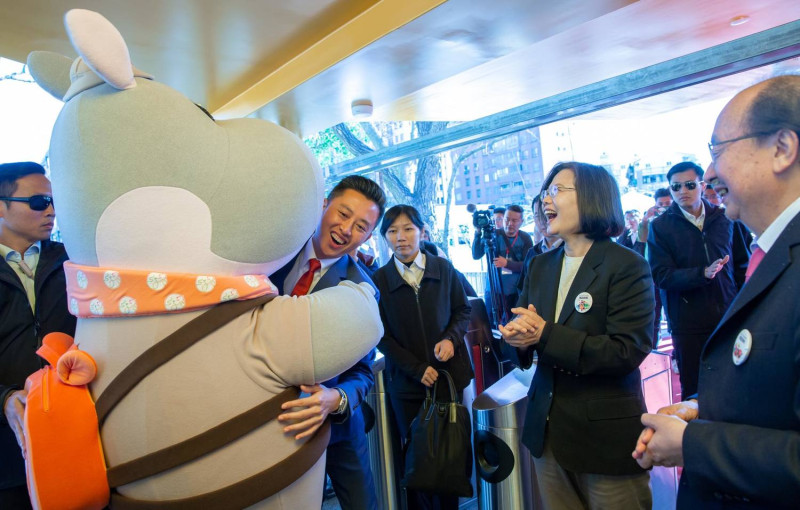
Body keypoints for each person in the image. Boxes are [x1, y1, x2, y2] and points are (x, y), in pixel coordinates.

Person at [634, 75, 800, 509]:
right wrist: (701, 407)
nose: (708, 176)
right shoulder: (774, 248)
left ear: (782, 149)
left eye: (718, 151)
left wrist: (694, 444)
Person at [501, 162, 654, 509]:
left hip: (605, 440)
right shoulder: (540, 264)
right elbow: (526, 332)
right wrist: (516, 339)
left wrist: (544, 334)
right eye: (545, 193)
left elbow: (627, 350)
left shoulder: (627, 265)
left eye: (557, 190)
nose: (545, 201)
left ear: (593, 198)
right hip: (548, 433)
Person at [272, 175, 386, 510]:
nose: (347, 229)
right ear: (323, 205)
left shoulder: (362, 290)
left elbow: (364, 372)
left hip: (333, 425)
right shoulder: (274, 255)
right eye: (343, 213)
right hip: (265, 418)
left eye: (362, 226)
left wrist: (335, 398)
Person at [372, 204, 473, 510]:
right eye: (392, 231)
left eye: (407, 229)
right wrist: (416, 369)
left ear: (421, 231)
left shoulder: (443, 269)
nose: (400, 237)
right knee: (417, 462)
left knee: (450, 457)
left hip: (448, 380)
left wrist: (451, 339)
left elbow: (463, 310)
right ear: (385, 237)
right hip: (408, 387)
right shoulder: (379, 281)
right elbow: (381, 336)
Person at [1, 162, 76, 509]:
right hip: (6, 451)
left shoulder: (72, 262)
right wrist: (4, 398)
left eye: (53, 201)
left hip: (74, 431)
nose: (51, 210)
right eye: (38, 202)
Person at [647, 161, 746, 397]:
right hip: (687, 324)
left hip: (728, 316)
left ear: (702, 185)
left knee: (737, 384)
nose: (683, 191)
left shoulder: (726, 219)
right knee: (696, 390)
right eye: (676, 187)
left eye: (689, 185)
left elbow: (743, 266)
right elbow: (660, 275)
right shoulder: (660, 227)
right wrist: (702, 273)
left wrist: (745, 309)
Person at [472, 204, 533, 318]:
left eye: (514, 220)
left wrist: (507, 264)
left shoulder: (525, 238)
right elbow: (476, 255)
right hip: (493, 291)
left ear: (521, 221)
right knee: (492, 324)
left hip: (515, 291)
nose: (510, 224)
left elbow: (528, 265)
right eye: (507, 219)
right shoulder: (493, 235)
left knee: (514, 323)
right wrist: (478, 232)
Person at [517, 195, 562, 293]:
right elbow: (523, 289)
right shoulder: (532, 253)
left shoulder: (570, 249)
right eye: (537, 216)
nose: (542, 221)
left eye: (546, 214)